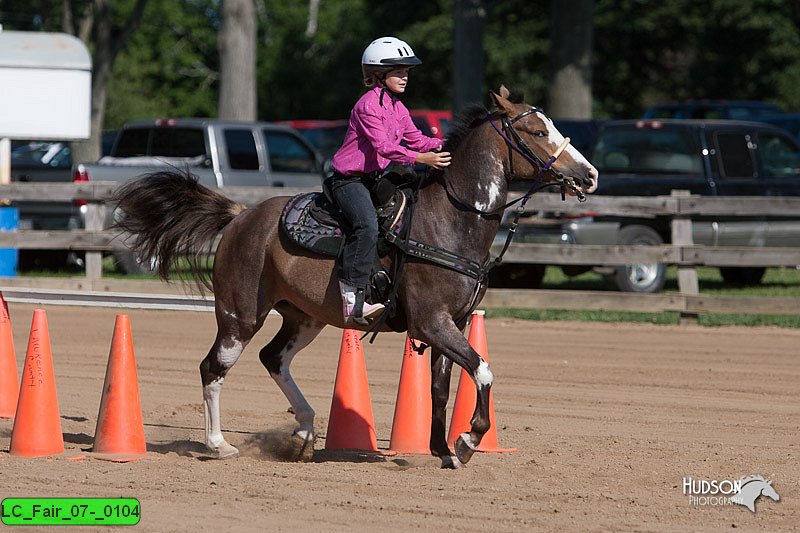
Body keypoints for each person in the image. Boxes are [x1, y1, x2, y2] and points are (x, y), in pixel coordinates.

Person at [330, 36, 451, 325]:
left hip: (374, 179)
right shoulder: (367, 106)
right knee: (367, 225)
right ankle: (352, 297)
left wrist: (448, 145)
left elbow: (417, 139)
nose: (405, 77)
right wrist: (422, 160)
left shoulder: (398, 107)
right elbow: (384, 147)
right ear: (378, 75)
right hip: (349, 182)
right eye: (399, 72)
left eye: (407, 72)